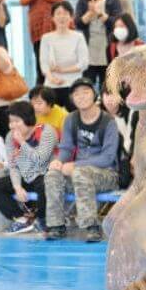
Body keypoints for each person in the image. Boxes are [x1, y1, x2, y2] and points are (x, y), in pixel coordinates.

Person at [45, 77, 120, 242]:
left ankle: (92, 226)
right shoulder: (71, 119)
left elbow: (107, 158)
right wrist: (59, 161)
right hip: (79, 174)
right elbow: (66, 148)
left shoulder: (108, 122)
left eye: (86, 92)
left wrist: (75, 165)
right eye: (76, 94)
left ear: (94, 95)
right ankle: (56, 225)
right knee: (52, 174)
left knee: (80, 173)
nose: (81, 96)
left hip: (106, 175)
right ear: (72, 98)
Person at [0, 101, 57, 234]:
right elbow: (13, 166)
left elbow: (40, 160)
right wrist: (17, 187)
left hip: (44, 173)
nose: (13, 125)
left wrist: (22, 142)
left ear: (28, 118)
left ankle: (42, 220)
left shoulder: (46, 131)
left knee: (45, 184)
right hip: (25, 176)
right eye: (11, 122)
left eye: (17, 121)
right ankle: (22, 219)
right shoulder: (9, 137)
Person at [20, 0, 66, 85]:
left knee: (54, 62)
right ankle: (40, 93)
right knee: (40, 63)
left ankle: (55, 91)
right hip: (37, 31)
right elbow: (23, 0)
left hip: (53, 29)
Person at [75, 0, 121, 87]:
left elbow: (116, 23)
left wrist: (100, 13)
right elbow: (78, 24)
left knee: (108, 85)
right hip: (89, 48)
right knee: (87, 83)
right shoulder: (83, 1)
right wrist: (90, 13)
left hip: (108, 47)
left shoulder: (113, 0)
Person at [43, 1, 89, 111]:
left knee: (75, 118)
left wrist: (63, 70)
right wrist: (51, 78)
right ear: (52, 17)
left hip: (74, 84)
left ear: (71, 17)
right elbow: (44, 64)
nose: (61, 17)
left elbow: (84, 64)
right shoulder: (46, 38)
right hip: (52, 84)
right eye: (58, 13)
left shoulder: (78, 37)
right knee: (48, 121)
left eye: (65, 13)